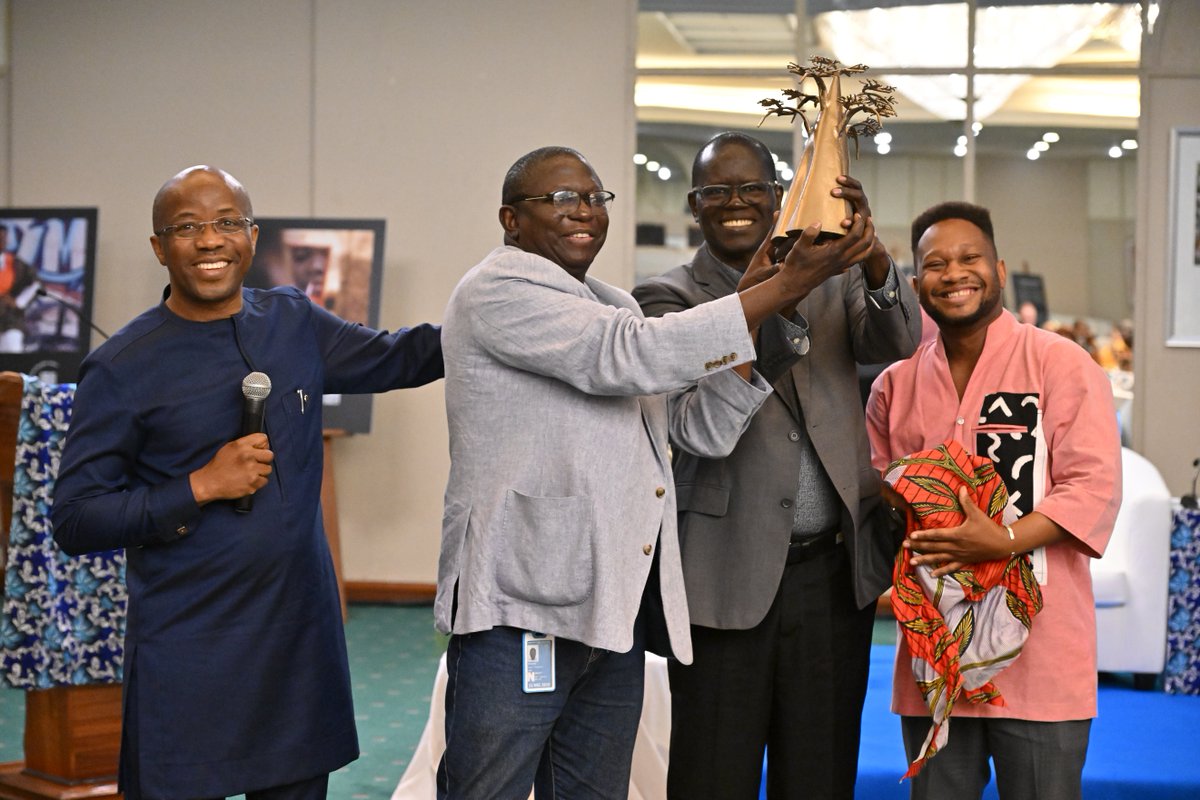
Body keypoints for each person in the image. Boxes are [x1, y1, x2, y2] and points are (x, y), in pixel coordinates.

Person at [435, 145, 879, 799]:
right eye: (560, 199)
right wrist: (783, 287)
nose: (583, 211)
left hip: (611, 608)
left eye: (592, 197)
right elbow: (628, 355)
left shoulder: (609, 300)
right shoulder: (496, 289)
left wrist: (762, 310)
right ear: (511, 219)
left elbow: (695, 427)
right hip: (522, 608)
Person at [51, 166, 444, 800]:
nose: (210, 240)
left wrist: (501, 314)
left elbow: (400, 357)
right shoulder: (122, 366)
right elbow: (75, 519)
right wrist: (199, 486)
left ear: (252, 238)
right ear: (159, 247)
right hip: (190, 647)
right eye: (187, 227)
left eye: (227, 223)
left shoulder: (291, 320)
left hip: (295, 639)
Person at [632, 131, 922, 799]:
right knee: (713, 775)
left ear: (779, 196)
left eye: (752, 189)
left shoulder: (837, 272)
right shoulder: (666, 298)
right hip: (723, 577)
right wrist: (782, 292)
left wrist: (873, 254)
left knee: (818, 775)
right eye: (717, 192)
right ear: (694, 205)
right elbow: (696, 428)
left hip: (831, 576)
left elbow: (898, 341)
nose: (736, 202)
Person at [865, 201, 1122, 800]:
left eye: (969, 257)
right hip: (936, 655)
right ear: (916, 282)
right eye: (934, 263)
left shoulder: (1062, 365)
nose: (953, 273)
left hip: (1043, 650)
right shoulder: (894, 386)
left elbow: (1092, 485)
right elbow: (878, 494)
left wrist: (1001, 538)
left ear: (1000, 270)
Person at [0, 225, 38, 352]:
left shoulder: (17, 264)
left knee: (12, 362)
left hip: (10, 321)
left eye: (3, 238)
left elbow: (36, 284)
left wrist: (19, 302)